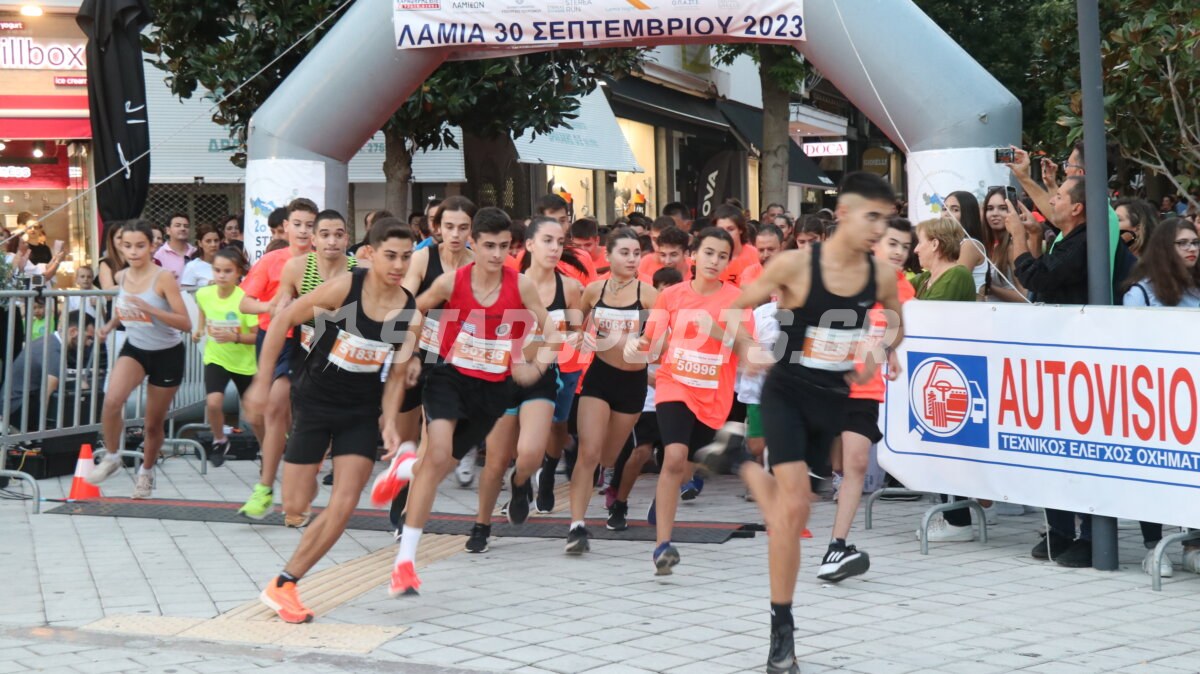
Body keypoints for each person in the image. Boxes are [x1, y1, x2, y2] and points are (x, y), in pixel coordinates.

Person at [696, 172, 904, 674]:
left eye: (886, 218)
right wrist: (747, 347)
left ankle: (740, 460)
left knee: (799, 514)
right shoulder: (794, 265)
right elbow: (730, 308)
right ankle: (782, 629)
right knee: (790, 511)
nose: (880, 229)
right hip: (786, 393)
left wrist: (877, 353)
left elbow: (895, 321)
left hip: (831, 402)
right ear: (847, 214)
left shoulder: (878, 276)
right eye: (872, 217)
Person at [252, 223, 420, 624]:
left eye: (406, 257)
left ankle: (285, 583)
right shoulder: (346, 287)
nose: (398, 265)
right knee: (295, 505)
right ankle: (306, 485)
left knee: (343, 505)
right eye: (391, 255)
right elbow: (282, 321)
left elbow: (396, 374)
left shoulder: (408, 308)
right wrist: (261, 383)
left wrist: (392, 423)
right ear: (371, 254)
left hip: (359, 410)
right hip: (313, 402)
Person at [386, 207, 553, 597]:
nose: (497, 255)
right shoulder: (450, 281)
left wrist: (536, 367)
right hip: (449, 378)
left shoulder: (521, 285)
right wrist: (410, 353)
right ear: (473, 244)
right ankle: (405, 564)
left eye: (504, 247)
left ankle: (405, 468)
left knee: (439, 464)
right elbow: (414, 309)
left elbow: (551, 332)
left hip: (493, 391)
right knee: (440, 450)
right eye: (489, 246)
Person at [623, 227, 750, 575]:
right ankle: (663, 546)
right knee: (674, 456)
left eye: (722, 256)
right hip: (673, 384)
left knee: (686, 465)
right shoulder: (672, 296)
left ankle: (664, 497)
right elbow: (652, 344)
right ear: (694, 255)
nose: (714, 261)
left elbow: (748, 350)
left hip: (713, 396)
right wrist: (638, 347)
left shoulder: (737, 299)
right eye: (709, 253)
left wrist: (719, 332)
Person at [467, 216, 584, 554]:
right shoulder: (506, 284)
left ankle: (521, 485)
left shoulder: (570, 288)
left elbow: (574, 333)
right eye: (547, 240)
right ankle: (481, 524)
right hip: (502, 378)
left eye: (560, 242)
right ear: (529, 245)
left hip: (542, 377)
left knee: (530, 453)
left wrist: (580, 340)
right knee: (495, 461)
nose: (555, 248)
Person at [1009, 176, 1095, 567]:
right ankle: (1059, 530)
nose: (1050, 201)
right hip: (1053, 358)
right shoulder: (1065, 239)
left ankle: (1090, 535)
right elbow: (1046, 276)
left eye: (1057, 196)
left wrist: (1016, 240)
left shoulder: (1085, 241)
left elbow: (1037, 278)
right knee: (1052, 449)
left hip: (1079, 358)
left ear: (1076, 208)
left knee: (1082, 450)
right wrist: (1036, 241)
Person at [562, 227, 657, 549]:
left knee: (607, 456)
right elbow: (575, 324)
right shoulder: (593, 290)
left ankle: (617, 494)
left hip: (632, 383)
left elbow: (661, 342)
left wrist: (640, 346)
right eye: (625, 252)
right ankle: (577, 526)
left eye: (636, 253)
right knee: (587, 453)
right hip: (599, 378)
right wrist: (579, 336)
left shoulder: (648, 294)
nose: (632, 259)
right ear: (608, 255)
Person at [87, 220, 192, 499]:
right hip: (135, 348)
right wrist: (109, 326)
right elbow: (125, 308)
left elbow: (185, 323)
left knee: (152, 423)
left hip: (167, 354)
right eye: (127, 246)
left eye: (140, 246)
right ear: (120, 247)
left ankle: (146, 472)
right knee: (112, 400)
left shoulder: (164, 278)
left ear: (152, 246)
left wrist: (151, 309)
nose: (133, 252)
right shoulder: (121, 277)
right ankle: (112, 457)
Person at [1121, 218, 1200, 577]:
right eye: (1182, 243)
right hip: (1153, 401)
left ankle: (1193, 543)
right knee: (1150, 474)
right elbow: (1130, 350)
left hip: (1193, 400)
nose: (1191, 249)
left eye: (1195, 242)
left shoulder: (1197, 290)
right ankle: (1154, 547)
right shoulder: (1140, 292)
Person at [236, 198, 319, 519]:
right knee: (273, 415)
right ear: (285, 226)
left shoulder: (322, 261)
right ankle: (270, 484)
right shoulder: (273, 260)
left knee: (282, 411)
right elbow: (245, 304)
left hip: (308, 343)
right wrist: (269, 308)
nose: (303, 230)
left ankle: (280, 487)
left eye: (309, 225)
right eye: (297, 224)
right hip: (272, 341)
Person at [397, 196, 476, 507]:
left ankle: (409, 509)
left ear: (472, 230)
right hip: (416, 349)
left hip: (452, 358)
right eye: (449, 227)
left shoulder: (476, 263)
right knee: (406, 438)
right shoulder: (422, 258)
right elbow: (405, 304)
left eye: (463, 227)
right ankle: (401, 488)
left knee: (431, 440)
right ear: (437, 228)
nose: (456, 234)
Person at [191, 248, 258, 467]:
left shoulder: (245, 300)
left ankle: (267, 449)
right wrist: (199, 329)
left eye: (227, 271)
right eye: (217, 270)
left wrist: (234, 336)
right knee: (213, 402)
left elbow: (257, 336)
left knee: (254, 415)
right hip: (216, 357)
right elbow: (203, 309)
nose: (221, 275)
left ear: (239, 272)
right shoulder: (204, 293)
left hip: (244, 363)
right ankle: (220, 440)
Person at [6, 313, 95, 432]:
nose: (89, 343)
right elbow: (49, 390)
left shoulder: (50, 341)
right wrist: (44, 431)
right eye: (88, 337)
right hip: (17, 409)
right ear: (73, 331)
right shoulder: (54, 350)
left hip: (13, 404)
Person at [979, 187, 1027, 303]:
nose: (995, 214)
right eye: (990, 208)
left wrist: (989, 288)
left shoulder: (1013, 247)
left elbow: (1025, 296)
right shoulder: (983, 245)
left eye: (1003, 208)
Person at [943, 191, 988, 294]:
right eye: (944, 208)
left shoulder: (969, 245)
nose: (947, 214)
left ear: (968, 214)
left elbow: (952, 286)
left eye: (955, 210)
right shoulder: (950, 244)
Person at [712, 204, 760, 286]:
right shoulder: (709, 257)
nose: (725, 234)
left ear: (740, 229)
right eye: (720, 230)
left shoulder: (756, 255)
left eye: (730, 229)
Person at [154, 213, 196, 281]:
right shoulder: (158, 255)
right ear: (168, 230)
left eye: (186, 226)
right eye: (178, 225)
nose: (183, 228)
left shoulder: (196, 252)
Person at [181, 224, 221, 289]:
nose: (213, 244)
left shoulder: (226, 263)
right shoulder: (192, 266)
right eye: (208, 241)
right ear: (200, 243)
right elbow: (186, 294)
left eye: (216, 240)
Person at [98, 226, 126, 291]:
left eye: (125, 237)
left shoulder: (138, 261)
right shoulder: (106, 263)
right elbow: (108, 294)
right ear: (112, 241)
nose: (123, 240)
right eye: (119, 237)